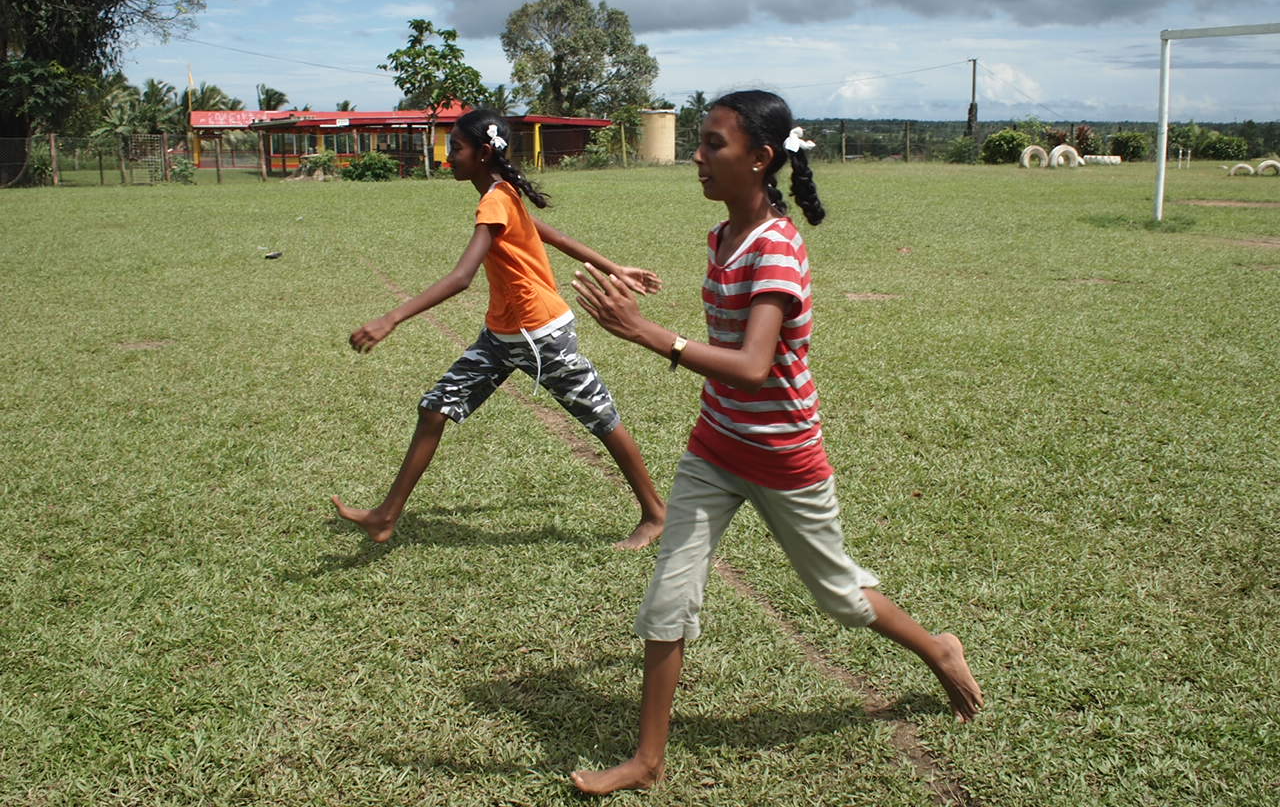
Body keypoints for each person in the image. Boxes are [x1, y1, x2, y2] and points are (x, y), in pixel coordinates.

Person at [568, 90, 982, 794]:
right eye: (697, 142)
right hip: (715, 448)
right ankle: (648, 760)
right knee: (670, 596)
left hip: (785, 457)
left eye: (713, 146)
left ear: (760, 160)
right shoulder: (723, 237)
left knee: (840, 600)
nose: (697, 157)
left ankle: (938, 649)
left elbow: (755, 365)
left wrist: (647, 333)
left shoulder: (778, 249)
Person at [331, 109, 666, 550]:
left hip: (542, 335)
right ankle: (385, 516)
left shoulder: (496, 198)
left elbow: (461, 277)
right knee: (435, 409)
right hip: (502, 336)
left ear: (483, 152)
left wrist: (391, 317)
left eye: (456, 148)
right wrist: (615, 267)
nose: (449, 156)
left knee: (600, 417)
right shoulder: (502, 192)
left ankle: (656, 514)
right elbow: (556, 237)